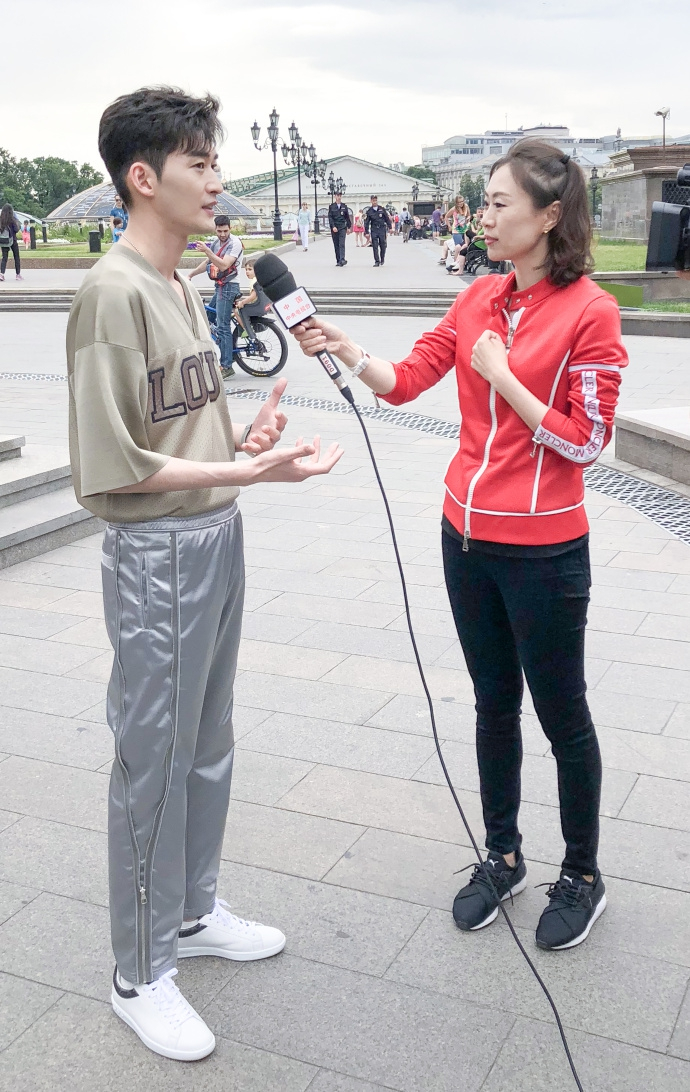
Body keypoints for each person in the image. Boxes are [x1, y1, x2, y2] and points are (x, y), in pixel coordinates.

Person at [293, 138, 628, 953]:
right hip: (464, 538)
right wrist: (345, 348)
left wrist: (506, 375)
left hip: (545, 552)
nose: (484, 215)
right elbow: (409, 378)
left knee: (562, 715)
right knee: (490, 704)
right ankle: (503, 852)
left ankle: (583, 874)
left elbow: (588, 443)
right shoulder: (477, 294)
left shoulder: (592, 311)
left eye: (498, 203)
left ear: (550, 216)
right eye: (483, 201)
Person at [67, 85, 343, 1064]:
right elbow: (112, 465)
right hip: (157, 555)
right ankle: (139, 971)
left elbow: (175, 423)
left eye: (217, 160)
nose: (218, 179)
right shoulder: (112, 292)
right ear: (144, 178)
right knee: (152, 759)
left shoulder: (184, 285)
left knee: (208, 741)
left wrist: (244, 442)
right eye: (199, 163)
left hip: (215, 534)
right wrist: (240, 469)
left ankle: (191, 912)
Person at [188, 214, 243, 379]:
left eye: (225, 231)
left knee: (223, 325)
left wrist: (207, 251)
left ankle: (226, 366)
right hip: (219, 286)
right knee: (207, 318)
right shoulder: (216, 242)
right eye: (219, 231)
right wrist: (190, 275)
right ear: (216, 229)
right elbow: (208, 262)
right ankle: (222, 343)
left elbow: (224, 264)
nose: (222, 234)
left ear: (230, 229)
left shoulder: (235, 243)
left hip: (229, 287)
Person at [234, 258, 272, 341]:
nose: (247, 272)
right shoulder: (260, 279)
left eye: (250, 269)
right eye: (246, 270)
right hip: (264, 304)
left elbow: (253, 296)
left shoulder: (253, 282)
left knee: (236, 311)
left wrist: (242, 302)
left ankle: (247, 329)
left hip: (256, 306)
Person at [364, 195, 392, 267]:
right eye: (373, 200)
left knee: (383, 245)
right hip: (374, 230)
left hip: (382, 229)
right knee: (375, 246)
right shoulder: (369, 211)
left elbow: (387, 219)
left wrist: (390, 227)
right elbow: (366, 222)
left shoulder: (382, 209)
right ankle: (377, 261)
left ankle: (382, 258)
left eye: (375, 200)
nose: (375, 202)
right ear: (371, 201)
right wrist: (366, 232)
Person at [327, 191, 352, 266]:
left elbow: (347, 217)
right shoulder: (332, 207)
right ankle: (338, 260)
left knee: (342, 244)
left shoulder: (344, 206)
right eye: (337, 195)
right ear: (335, 196)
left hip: (342, 227)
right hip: (335, 228)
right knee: (336, 244)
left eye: (340, 195)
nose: (339, 197)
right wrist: (333, 226)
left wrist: (348, 227)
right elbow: (330, 218)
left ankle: (342, 259)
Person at [0, 205, 22, 281]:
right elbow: (16, 229)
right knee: (16, 257)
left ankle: (2, 274)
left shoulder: (1, 220)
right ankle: (18, 275)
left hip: (3, 241)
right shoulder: (12, 219)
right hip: (13, 240)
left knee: (4, 258)